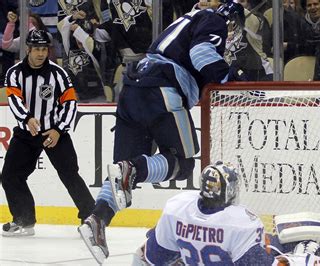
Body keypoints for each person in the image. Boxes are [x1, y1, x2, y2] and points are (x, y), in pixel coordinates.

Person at [78, 1, 248, 264]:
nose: (233, 31)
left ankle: (97, 219)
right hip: (161, 89)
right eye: (234, 24)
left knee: (126, 172)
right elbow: (202, 55)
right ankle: (130, 171)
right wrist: (233, 81)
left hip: (132, 89)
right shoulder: (212, 19)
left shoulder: (182, 23)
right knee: (183, 163)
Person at [131, 161, 320, 265]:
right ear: (230, 190)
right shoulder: (240, 222)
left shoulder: (177, 208)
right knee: (291, 254)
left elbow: (154, 257)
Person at [1, 29, 95, 237]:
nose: (41, 54)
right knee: (10, 176)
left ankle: (91, 219)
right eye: (37, 49)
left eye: (44, 49)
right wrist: (27, 118)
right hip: (26, 134)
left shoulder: (58, 74)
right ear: (28, 49)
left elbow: (70, 103)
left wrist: (59, 129)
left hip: (54, 133)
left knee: (70, 174)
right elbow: (14, 99)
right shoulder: (14, 73)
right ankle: (24, 220)